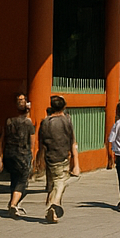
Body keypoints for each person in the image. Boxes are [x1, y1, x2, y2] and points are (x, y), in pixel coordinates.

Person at [37, 95, 80, 223]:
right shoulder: (66, 121)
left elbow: (41, 143)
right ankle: (54, 204)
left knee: (52, 184)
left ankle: (51, 213)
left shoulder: (45, 122)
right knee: (60, 182)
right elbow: (72, 141)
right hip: (62, 156)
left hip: (49, 156)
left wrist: (39, 159)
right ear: (64, 106)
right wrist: (76, 163)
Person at [0, 95, 35, 218]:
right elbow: (32, 142)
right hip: (23, 154)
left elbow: (2, 138)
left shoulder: (9, 121)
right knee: (22, 181)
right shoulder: (28, 123)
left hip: (9, 153)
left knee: (14, 179)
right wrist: (32, 156)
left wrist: (0, 156)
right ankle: (13, 204)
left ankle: (13, 202)